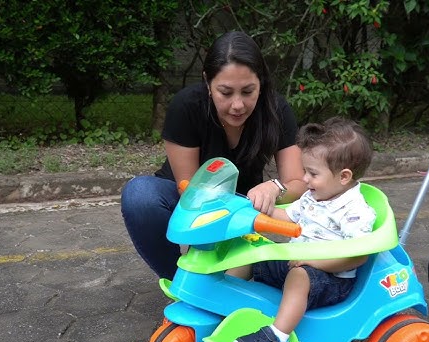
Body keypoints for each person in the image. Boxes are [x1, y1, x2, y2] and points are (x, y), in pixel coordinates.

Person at [120, 31, 307, 280]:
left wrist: (274, 188)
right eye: (226, 93)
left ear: (261, 83)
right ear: (208, 83)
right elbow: (191, 194)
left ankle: (222, 280)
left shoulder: (277, 109)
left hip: (242, 206)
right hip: (187, 200)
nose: (237, 105)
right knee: (139, 195)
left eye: (248, 91)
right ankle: (184, 283)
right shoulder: (186, 106)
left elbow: (297, 184)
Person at [230, 117, 377, 342]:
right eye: (305, 171)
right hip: (297, 264)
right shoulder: (314, 195)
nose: (305, 179)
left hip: (331, 281)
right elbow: (287, 216)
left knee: (300, 276)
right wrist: (255, 211)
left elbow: (358, 255)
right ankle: (221, 304)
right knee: (251, 253)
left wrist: (312, 262)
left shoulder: (354, 210)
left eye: (312, 173)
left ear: (343, 176)